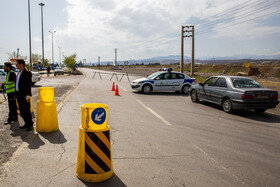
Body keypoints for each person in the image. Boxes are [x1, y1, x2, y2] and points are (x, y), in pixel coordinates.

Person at [15, 59, 33, 131]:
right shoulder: (19, 73)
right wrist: (15, 94)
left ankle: (30, 124)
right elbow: (17, 84)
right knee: (22, 111)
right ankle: (26, 123)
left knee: (26, 110)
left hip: (25, 95)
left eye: (17, 64)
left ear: (21, 64)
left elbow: (29, 85)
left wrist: (28, 95)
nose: (16, 65)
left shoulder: (27, 73)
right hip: (19, 94)